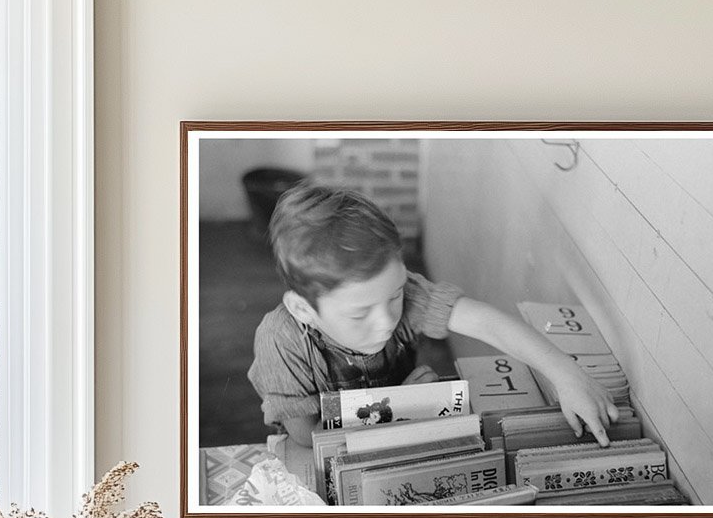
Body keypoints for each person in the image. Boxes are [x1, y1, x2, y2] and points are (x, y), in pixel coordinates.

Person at [247, 183, 619, 448]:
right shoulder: (280, 339)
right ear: (303, 309)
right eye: (360, 314)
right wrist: (399, 405)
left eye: (395, 295)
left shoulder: (405, 295)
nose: (387, 321)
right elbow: (307, 436)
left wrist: (567, 375)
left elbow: (486, 322)